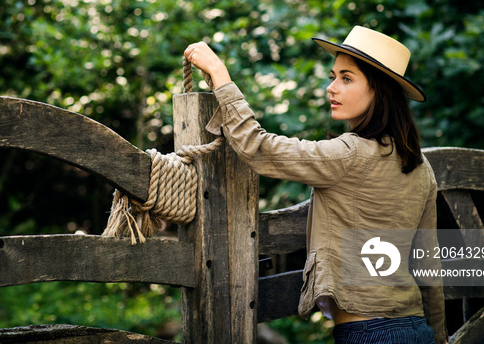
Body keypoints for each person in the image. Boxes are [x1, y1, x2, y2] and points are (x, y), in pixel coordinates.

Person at [184, 26, 448, 344]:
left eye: (346, 78)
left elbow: (257, 146)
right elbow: (428, 263)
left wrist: (219, 74)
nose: (331, 88)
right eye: (333, 76)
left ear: (380, 91)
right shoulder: (420, 165)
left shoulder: (349, 154)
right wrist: (440, 336)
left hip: (369, 335)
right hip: (417, 330)